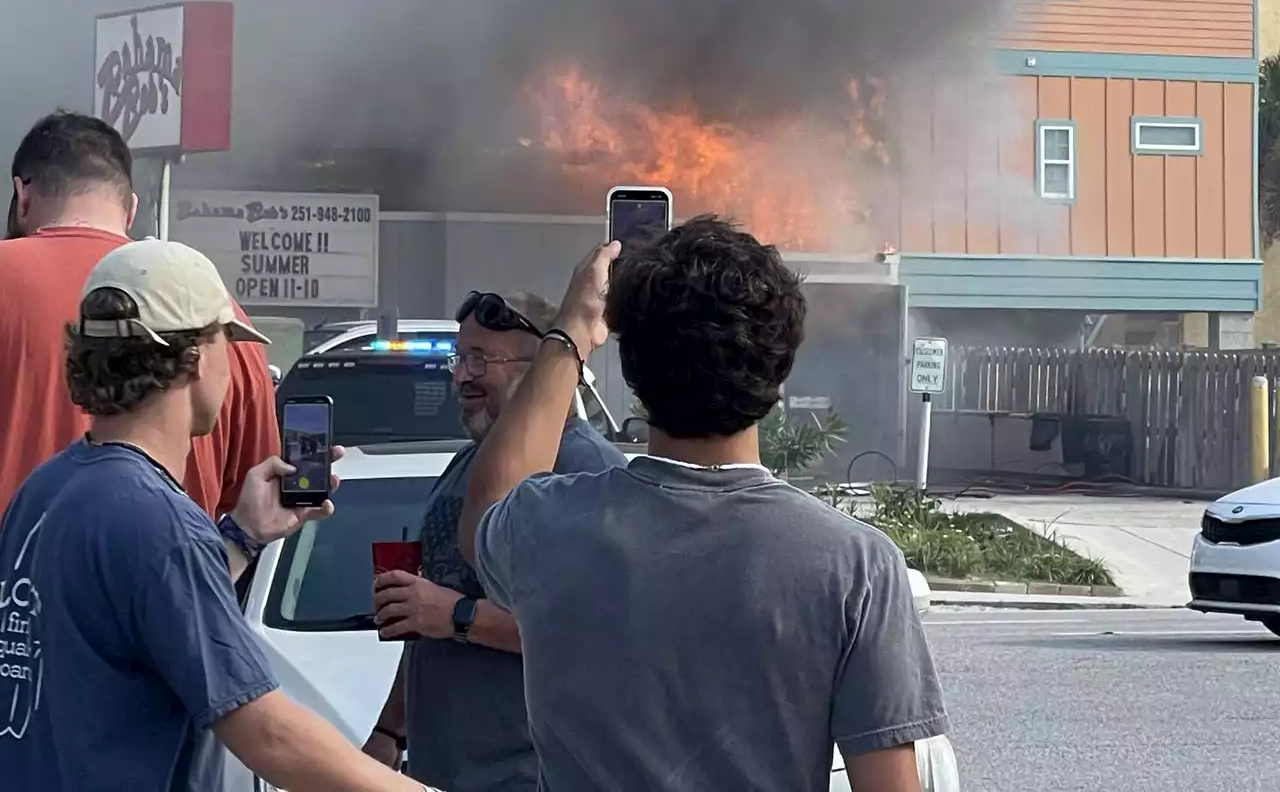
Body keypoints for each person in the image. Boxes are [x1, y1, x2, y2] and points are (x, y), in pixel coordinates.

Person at [457, 217, 951, 792]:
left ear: (634, 373)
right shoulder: (857, 566)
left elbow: (489, 503)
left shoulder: (546, 525)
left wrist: (569, 333)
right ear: (780, 368)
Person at [0, 237, 436, 792]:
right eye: (227, 345)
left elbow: (132, 622)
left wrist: (241, 538)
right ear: (198, 358)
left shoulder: (48, 490)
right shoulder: (157, 522)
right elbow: (267, 733)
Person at [364, 290, 627, 791]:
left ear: (542, 366)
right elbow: (425, 616)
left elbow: (599, 638)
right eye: (459, 359)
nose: (462, 376)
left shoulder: (589, 472)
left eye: (481, 359)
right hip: (438, 773)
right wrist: (389, 731)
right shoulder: (464, 465)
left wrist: (459, 615)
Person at [0, 110, 277, 517]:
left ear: (22, 195)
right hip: (176, 572)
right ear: (130, 210)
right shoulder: (218, 316)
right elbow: (258, 498)